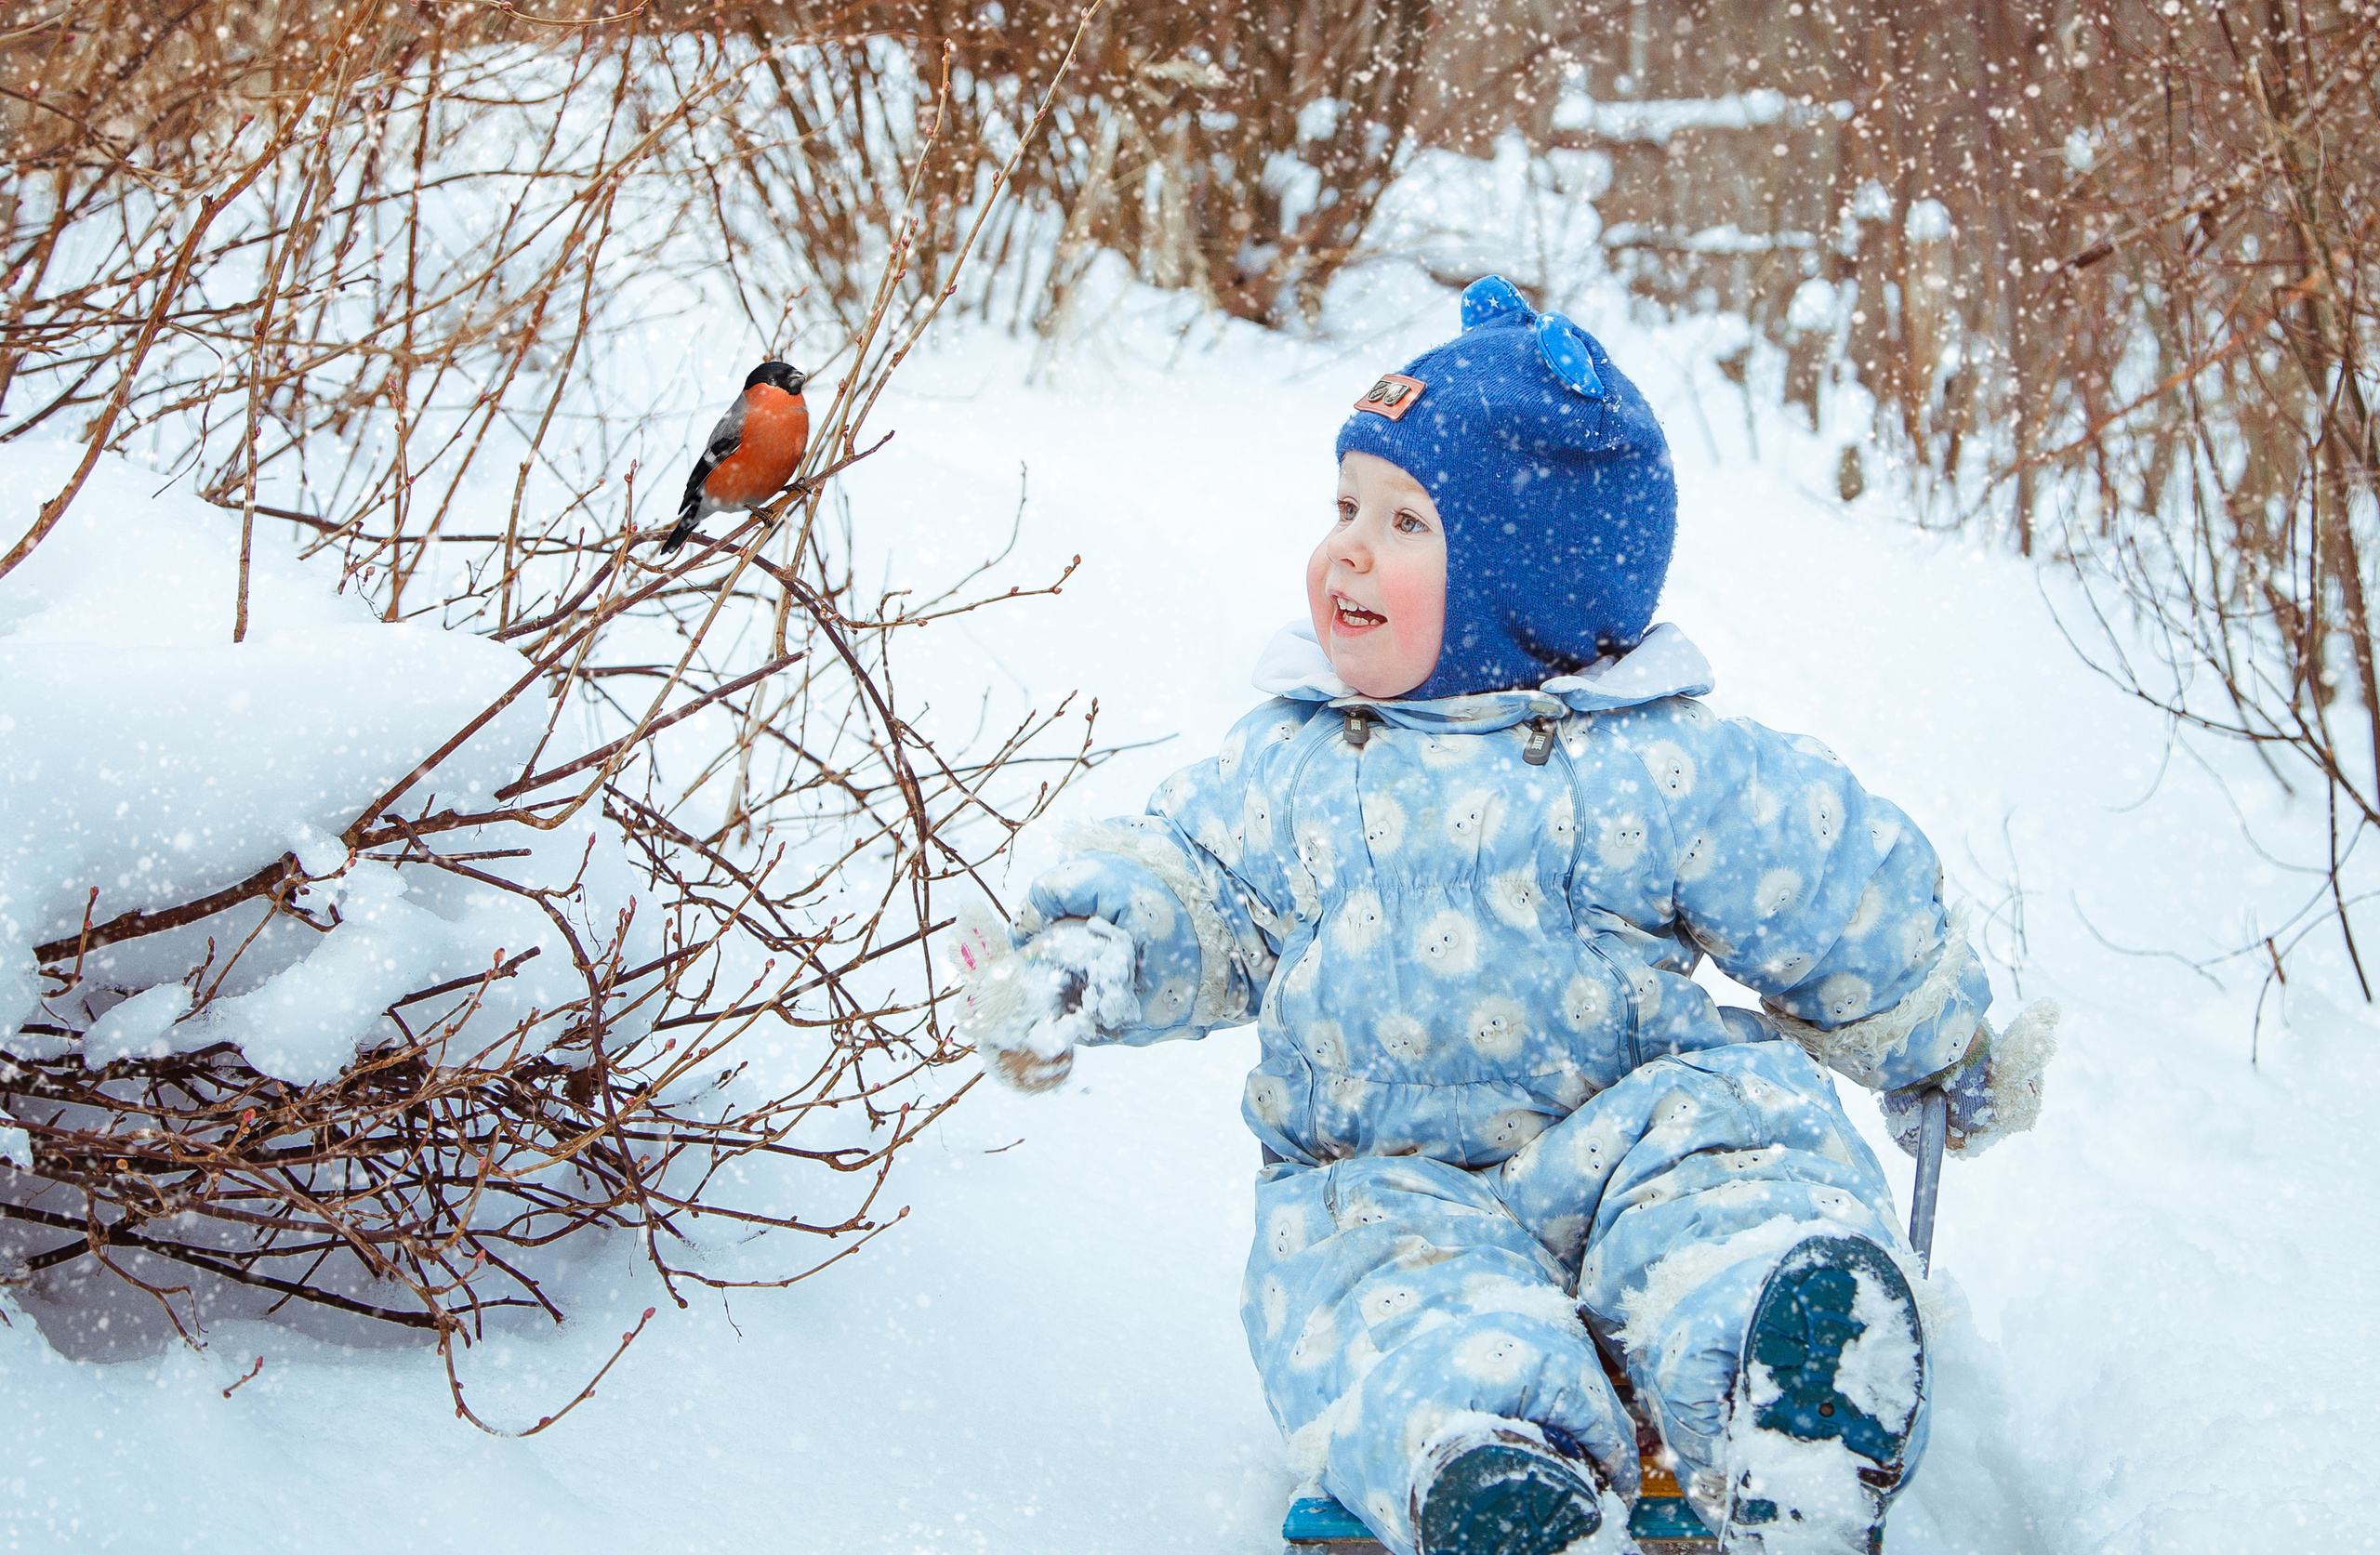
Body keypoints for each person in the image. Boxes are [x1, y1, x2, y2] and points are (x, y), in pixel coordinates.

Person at [955, 276, 2056, 1555]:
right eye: (1346, 507)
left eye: (1406, 520)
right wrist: (1090, 954)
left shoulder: (1650, 761)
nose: (1347, 550)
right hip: (1393, 1178)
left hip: (1640, 1128)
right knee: (1384, 1304)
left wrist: (1941, 1039)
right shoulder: (1299, 769)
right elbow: (1191, 881)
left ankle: (1781, 1390)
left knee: (1741, 1174)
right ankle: (1495, 1466)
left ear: (1519, 579)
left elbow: (1825, 880)